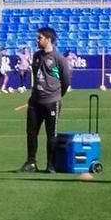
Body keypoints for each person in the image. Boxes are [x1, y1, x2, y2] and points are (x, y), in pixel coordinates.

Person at [18, 25, 71, 174]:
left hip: (51, 102)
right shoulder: (36, 56)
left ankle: (51, 165)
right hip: (35, 101)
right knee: (31, 133)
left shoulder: (59, 59)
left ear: (48, 39)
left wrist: (56, 95)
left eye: (39, 37)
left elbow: (66, 81)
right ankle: (31, 162)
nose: (37, 40)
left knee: (51, 134)